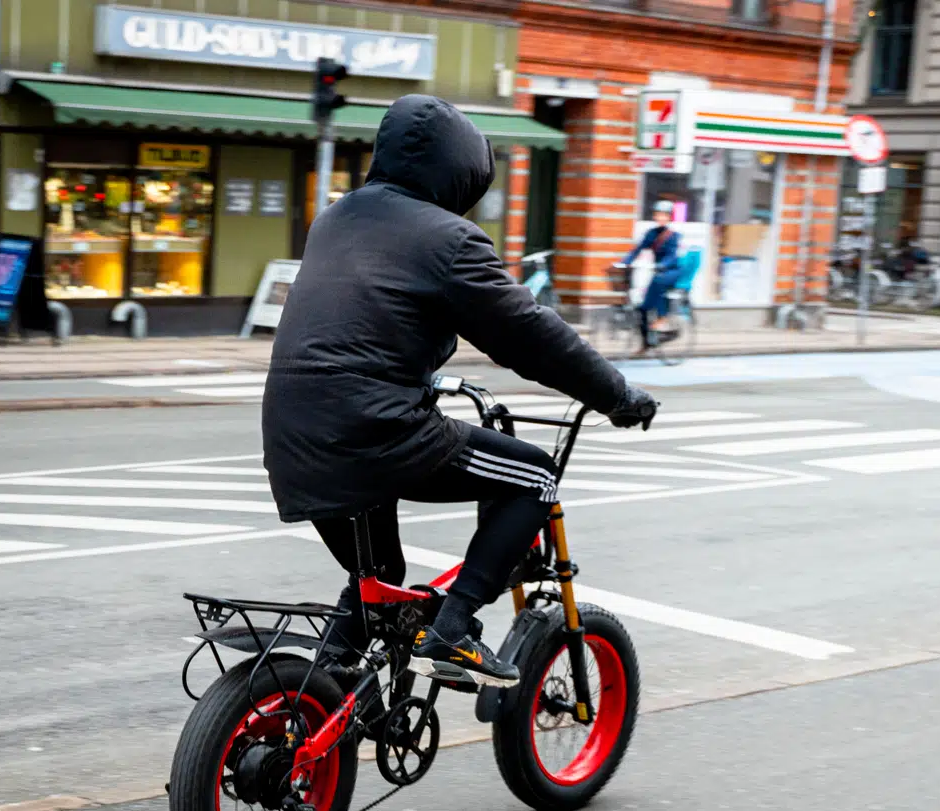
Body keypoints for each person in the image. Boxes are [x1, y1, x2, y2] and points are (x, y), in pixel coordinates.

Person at [262, 95, 658, 688]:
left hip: (292, 436)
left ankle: (327, 693)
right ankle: (455, 628)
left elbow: (360, 321)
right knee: (536, 477)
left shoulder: (334, 220)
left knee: (380, 578)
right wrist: (616, 393)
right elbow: (529, 335)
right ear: (460, 172)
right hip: (376, 430)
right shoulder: (449, 239)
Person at [620, 200, 683, 348]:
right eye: (658, 214)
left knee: (658, 281)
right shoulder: (651, 234)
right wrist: (625, 262)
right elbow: (638, 249)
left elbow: (672, 256)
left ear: (669, 217)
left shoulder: (674, 236)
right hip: (657, 270)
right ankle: (646, 342)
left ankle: (662, 318)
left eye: (664, 215)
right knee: (642, 308)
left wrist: (663, 264)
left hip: (671, 271)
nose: (660, 217)